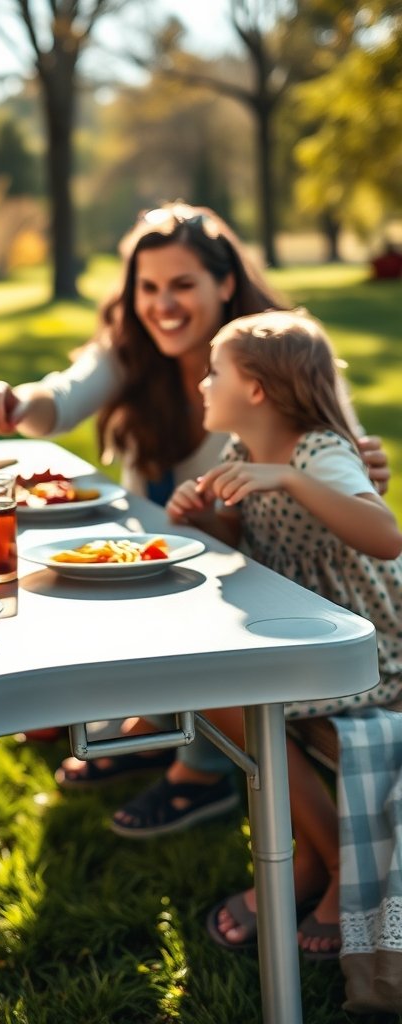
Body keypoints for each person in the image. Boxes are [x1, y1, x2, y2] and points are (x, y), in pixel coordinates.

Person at [0, 202, 391, 836]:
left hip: (284, 591)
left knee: (211, 641)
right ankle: (156, 723)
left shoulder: (273, 359)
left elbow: (337, 455)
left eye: (182, 285)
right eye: (148, 288)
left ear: (225, 284)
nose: (161, 305)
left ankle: (200, 768)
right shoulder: (132, 353)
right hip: (187, 555)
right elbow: (58, 398)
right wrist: (16, 403)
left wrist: (347, 475)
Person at [165, 308, 402, 959]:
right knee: (216, 690)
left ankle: (335, 862)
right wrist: (205, 519)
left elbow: (386, 536)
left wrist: (292, 478)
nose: (204, 384)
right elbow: (250, 539)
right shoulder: (242, 452)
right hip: (306, 637)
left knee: (226, 697)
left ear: (256, 389)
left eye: (215, 372)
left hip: (367, 653)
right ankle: (316, 858)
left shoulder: (320, 453)